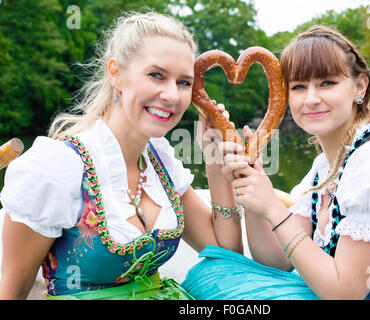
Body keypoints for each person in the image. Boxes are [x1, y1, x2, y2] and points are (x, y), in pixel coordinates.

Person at [181, 25, 370, 300]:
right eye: (298, 86)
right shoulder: (324, 166)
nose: (311, 99)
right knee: (214, 272)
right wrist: (251, 188)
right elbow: (274, 261)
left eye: (326, 83)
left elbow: (345, 293)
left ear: (359, 86)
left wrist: (273, 208)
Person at [0, 10, 243, 300]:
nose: (172, 95)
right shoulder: (57, 167)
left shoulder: (160, 162)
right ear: (116, 73)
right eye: (156, 75)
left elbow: (227, 257)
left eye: (184, 82)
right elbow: (12, 289)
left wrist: (215, 166)